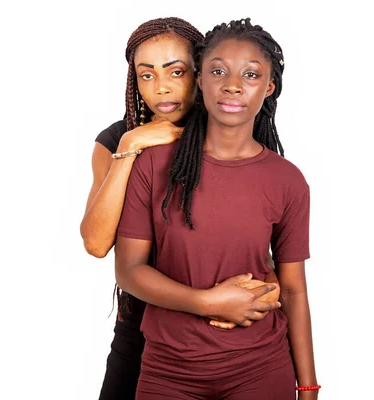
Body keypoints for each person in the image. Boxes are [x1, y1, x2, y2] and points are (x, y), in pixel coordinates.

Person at [115, 18, 318, 400]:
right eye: (219, 70)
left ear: (270, 87)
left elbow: (293, 290)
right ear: (201, 80)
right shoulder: (153, 164)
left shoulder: (287, 180)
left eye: (251, 74)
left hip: (260, 367)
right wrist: (208, 301)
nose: (233, 85)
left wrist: (308, 387)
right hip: (168, 371)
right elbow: (129, 271)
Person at [79, 17, 281, 399]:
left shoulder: (230, 131)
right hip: (144, 325)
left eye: (177, 71)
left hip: (234, 332)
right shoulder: (117, 139)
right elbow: (95, 242)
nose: (162, 87)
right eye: (147, 75)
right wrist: (133, 144)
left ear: (201, 73)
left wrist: (272, 287)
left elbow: (269, 236)